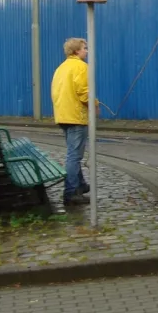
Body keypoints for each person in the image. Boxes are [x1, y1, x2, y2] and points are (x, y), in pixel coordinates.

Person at [50, 37, 98, 206]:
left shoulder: (61, 68)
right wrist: (95, 105)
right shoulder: (81, 67)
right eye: (84, 48)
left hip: (63, 116)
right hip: (76, 116)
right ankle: (70, 193)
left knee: (73, 153)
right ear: (76, 51)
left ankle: (80, 186)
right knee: (74, 156)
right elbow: (84, 92)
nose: (86, 51)